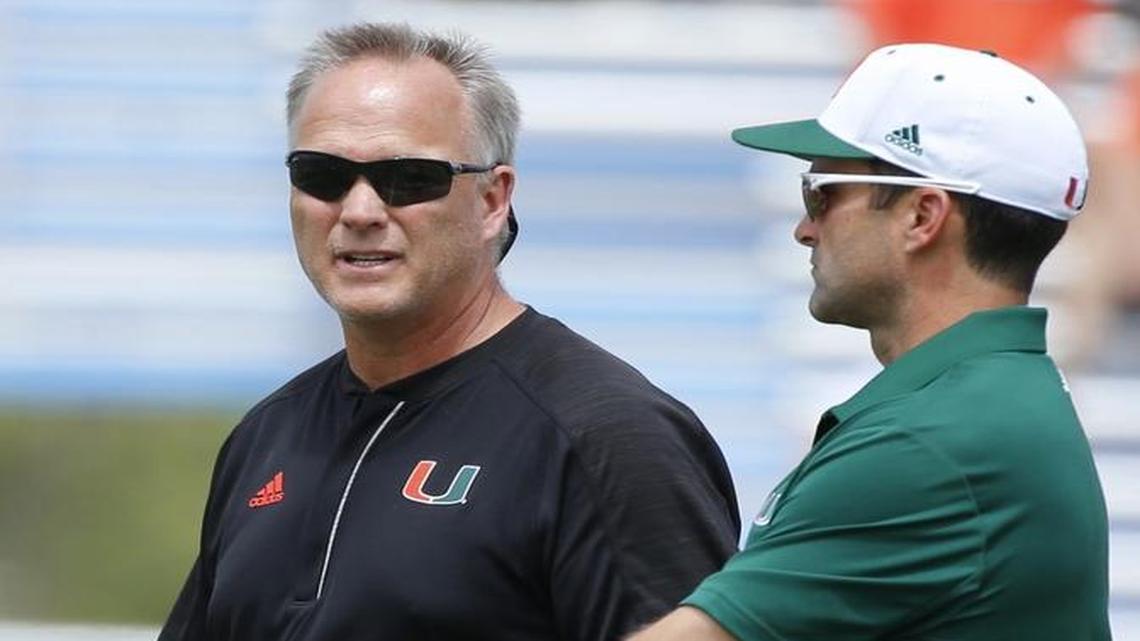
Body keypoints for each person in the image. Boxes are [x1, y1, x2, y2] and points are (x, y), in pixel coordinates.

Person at [159, 22, 740, 641]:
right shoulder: (268, 432)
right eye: (322, 174)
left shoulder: (607, 435)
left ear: (493, 200)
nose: (359, 212)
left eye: (409, 178)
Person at [629, 43, 1111, 641]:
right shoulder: (983, 406)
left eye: (822, 193)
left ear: (922, 216)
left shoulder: (929, 442)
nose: (804, 228)